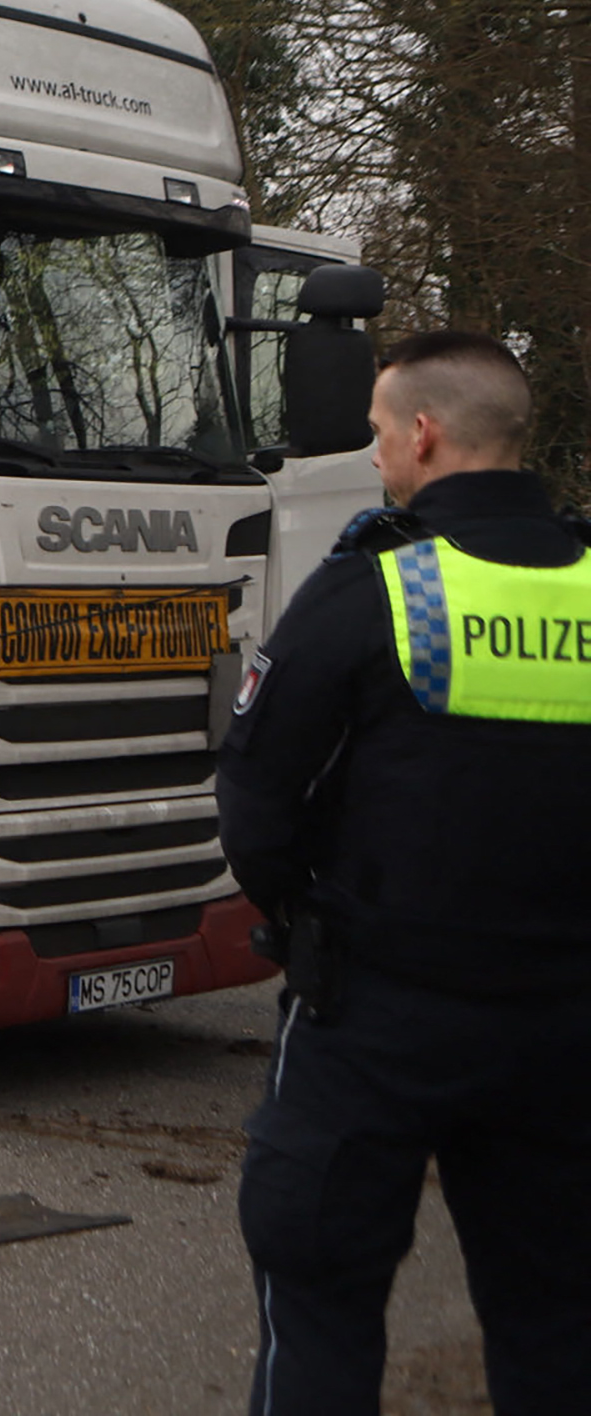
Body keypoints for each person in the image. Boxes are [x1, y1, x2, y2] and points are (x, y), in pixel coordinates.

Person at [218, 330, 591, 1413]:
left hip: (375, 1016)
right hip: (567, 1027)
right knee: (558, 1317)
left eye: (380, 434)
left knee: (321, 1303)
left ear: (422, 434)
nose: (377, 456)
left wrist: (305, 918)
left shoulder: (375, 589)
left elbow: (257, 800)